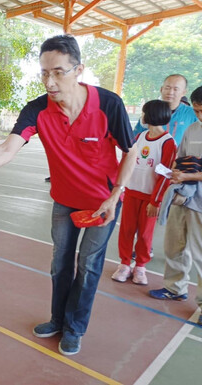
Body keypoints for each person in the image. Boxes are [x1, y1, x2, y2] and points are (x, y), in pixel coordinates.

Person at [0, 35, 137, 355]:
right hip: (64, 200)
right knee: (59, 263)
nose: (50, 81)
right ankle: (57, 319)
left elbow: (130, 152)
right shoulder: (37, 110)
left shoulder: (108, 104)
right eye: (44, 73)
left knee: (89, 266)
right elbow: (8, 149)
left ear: (79, 69)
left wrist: (115, 195)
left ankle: (75, 328)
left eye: (58, 72)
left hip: (101, 202)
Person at [149, 86, 202, 326]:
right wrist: (178, 173)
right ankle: (175, 288)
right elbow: (181, 159)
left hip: (200, 203)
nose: (200, 115)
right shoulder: (192, 130)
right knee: (174, 245)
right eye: (197, 111)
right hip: (183, 196)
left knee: (200, 255)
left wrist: (191, 176)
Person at [112, 100, 176, 285]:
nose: (142, 115)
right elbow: (127, 160)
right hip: (132, 193)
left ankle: (140, 266)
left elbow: (166, 175)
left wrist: (156, 201)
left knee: (145, 234)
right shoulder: (139, 137)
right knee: (126, 230)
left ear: (150, 115)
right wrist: (121, 186)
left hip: (150, 198)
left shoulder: (168, 142)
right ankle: (124, 264)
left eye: (144, 112)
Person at [134, 74, 197, 145]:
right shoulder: (150, 110)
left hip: (180, 155)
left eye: (175, 89)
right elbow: (134, 139)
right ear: (161, 89)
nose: (170, 92)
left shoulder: (193, 113)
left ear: (184, 92)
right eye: (167, 88)